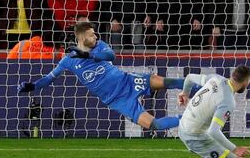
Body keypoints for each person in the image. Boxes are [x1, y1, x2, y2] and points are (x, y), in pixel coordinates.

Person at [17, 21, 187, 131]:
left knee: (166, 81)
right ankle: (189, 119)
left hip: (127, 81)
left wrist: (89, 56)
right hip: (118, 101)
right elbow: (49, 79)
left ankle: (201, 85)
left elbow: (111, 56)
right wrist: (32, 86)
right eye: (92, 34)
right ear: (82, 38)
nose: (96, 36)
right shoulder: (68, 60)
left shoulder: (99, 46)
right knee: (154, 124)